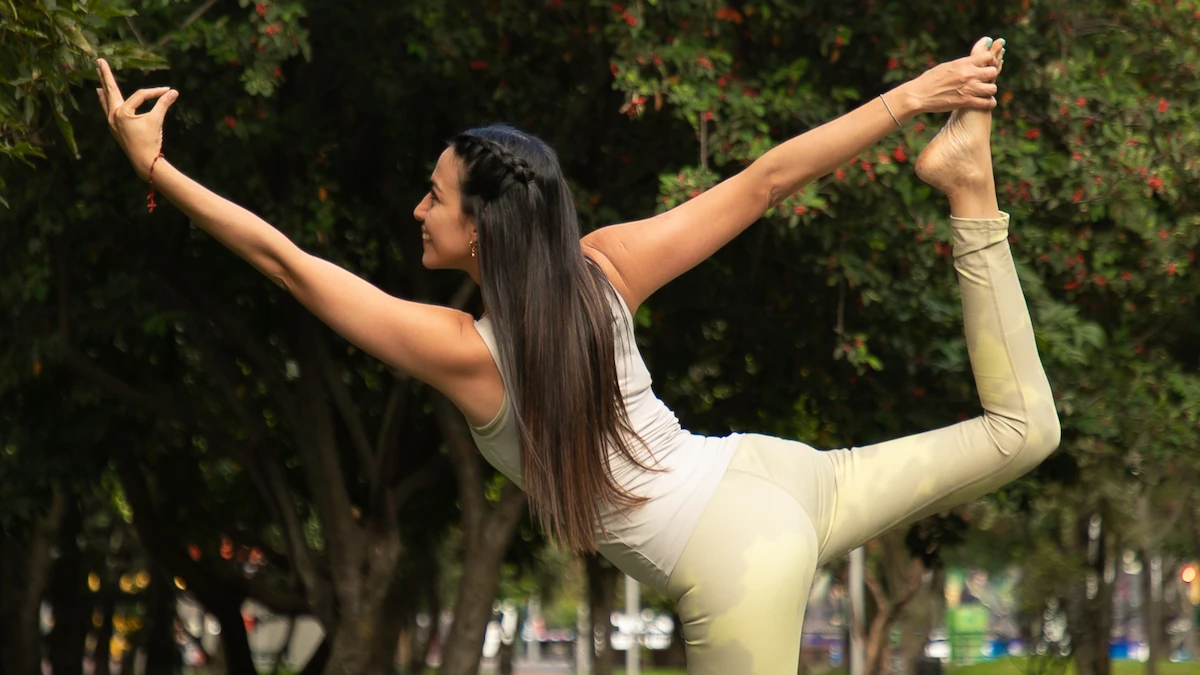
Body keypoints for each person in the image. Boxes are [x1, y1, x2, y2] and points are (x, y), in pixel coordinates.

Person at [96, 34, 1058, 674]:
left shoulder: (470, 354)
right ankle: (967, 180)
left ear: (482, 229)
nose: (418, 209)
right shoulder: (605, 265)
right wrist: (914, 97)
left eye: (434, 196)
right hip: (778, 475)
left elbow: (292, 266)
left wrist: (154, 168)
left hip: (735, 556)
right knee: (1024, 429)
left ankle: (964, 166)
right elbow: (764, 181)